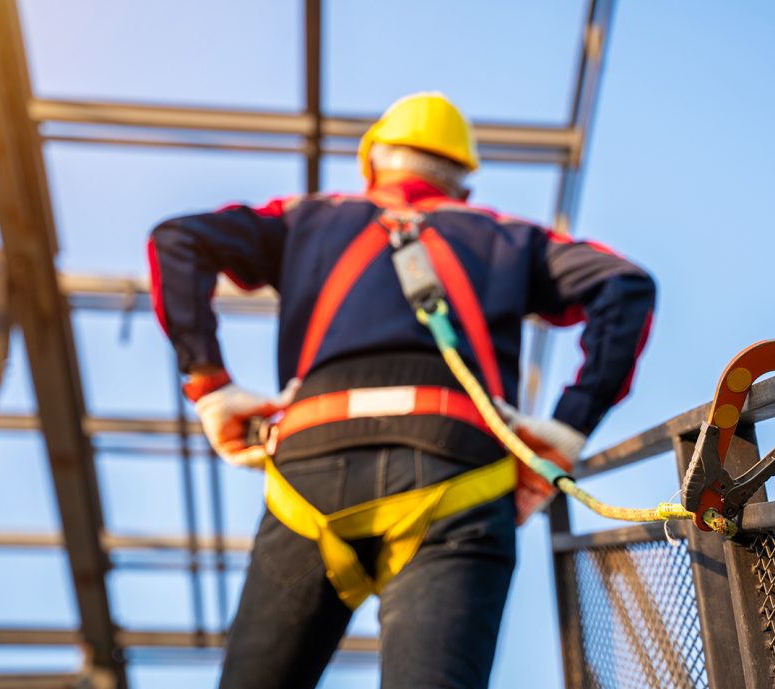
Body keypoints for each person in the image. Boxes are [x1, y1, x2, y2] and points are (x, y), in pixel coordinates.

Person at [147, 92, 656, 689]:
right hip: (456, 470)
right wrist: (570, 424)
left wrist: (211, 383)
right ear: (462, 181)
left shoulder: (306, 217)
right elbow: (624, 285)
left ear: (373, 166)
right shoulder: (511, 237)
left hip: (310, 467)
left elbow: (176, 240)